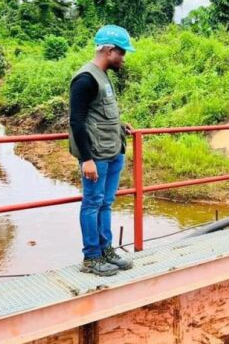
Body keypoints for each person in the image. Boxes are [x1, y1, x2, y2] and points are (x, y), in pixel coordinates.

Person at [68, 25, 135, 276]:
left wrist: (119, 125)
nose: (124, 58)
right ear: (109, 50)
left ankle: (106, 250)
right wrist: (86, 159)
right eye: (121, 52)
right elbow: (77, 120)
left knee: (106, 203)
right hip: (96, 156)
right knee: (92, 203)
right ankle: (91, 258)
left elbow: (101, 112)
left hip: (112, 151)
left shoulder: (103, 75)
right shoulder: (85, 79)